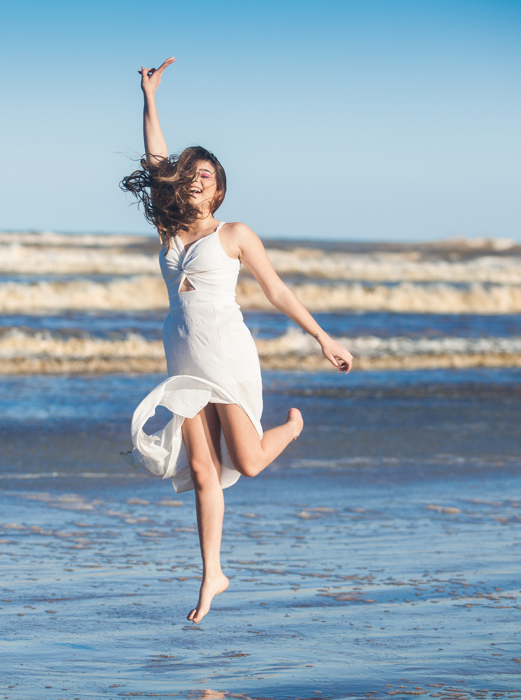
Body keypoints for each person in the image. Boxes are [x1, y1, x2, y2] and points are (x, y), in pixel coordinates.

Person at [121, 57, 354, 624]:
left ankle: (291, 427)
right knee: (203, 471)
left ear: (220, 190)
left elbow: (275, 291)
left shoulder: (235, 233)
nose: (197, 176)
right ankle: (211, 575)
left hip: (223, 352)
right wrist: (149, 99)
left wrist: (321, 336)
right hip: (182, 355)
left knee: (246, 464)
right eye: (191, 170)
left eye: (208, 173)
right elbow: (156, 160)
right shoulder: (169, 229)